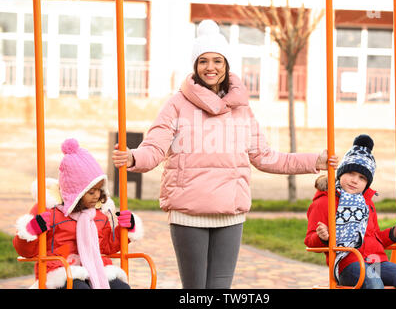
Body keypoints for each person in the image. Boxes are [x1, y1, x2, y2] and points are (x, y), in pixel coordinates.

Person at [112, 19, 338, 289]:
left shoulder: (241, 109)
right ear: (195, 66)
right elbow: (155, 147)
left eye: (217, 61)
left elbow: (266, 157)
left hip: (230, 214)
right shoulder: (176, 105)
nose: (211, 67)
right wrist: (134, 157)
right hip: (189, 212)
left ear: (227, 65)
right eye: (203, 61)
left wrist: (315, 161)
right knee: (195, 290)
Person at [14, 138, 144, 289]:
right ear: (75, 192)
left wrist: (126, 229)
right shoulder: (49, 212)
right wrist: (31, 231)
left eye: (99, 190)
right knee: (80, 287)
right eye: (91, 191)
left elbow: (108, 245)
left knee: (121, 287)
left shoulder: (98, 215)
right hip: (61, 272)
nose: (96, 196)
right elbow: (25, 251)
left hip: (96, 270)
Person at [305, 134, 396, 289]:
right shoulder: (324, 201)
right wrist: (323, 237)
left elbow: (374, 238)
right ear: (340, 173)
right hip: (347, 262)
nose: (355, 180)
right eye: (350, 173)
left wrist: (394, 233)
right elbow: (310, 240)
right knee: (374, 285)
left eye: (362, 178)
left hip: (376, 260)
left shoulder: (366, 203)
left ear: (367, 183)